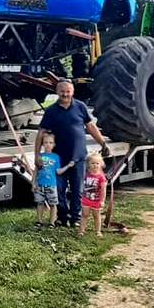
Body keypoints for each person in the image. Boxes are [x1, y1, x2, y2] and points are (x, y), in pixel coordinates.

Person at [34, 79, 109, 227]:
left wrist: (103, 143)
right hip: (59, 159)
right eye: (62, 91)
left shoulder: (80, 107)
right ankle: (62, 217)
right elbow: (41, 133)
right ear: (57, 92)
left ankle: (75, 218)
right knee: (59, 190)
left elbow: (91, 126)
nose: (65, 94)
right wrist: (37, 154)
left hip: (79, 157)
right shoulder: (51, 111)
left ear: (72, 92)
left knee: (78, 190)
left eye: (68, 91)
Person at [32, 131, 75, 228]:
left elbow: (58, 171)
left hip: (51, 185)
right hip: (40, 185)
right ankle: (39, 221)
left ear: (54, 145)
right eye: (46, 142)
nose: (48, 145)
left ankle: (52, 222)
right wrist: (33, 182)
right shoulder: (40, 156)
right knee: (39, 203)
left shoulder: (56, 157)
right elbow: (36, 170)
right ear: (42, 144)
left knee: (53, 204)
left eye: (50, 143)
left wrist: (68, 166)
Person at [79, 153, 108, 237]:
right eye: (93, 163)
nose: (95, 165)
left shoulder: (101, 177)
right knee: (84, 215)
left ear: (101, 164)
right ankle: (81, 230)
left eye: (97, 163)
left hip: (96, 200)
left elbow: (103, 190)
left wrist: (102, 201)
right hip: (86, 199)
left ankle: (98, 231)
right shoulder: (86, 174)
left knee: (96, 216)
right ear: (88, 164)